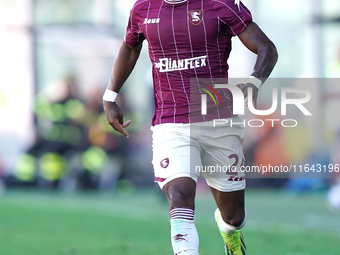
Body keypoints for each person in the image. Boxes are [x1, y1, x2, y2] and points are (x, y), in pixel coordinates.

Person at [103, 0, 278, 254]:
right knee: (180, 195)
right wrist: (110, 95)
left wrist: (254, 82)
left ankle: (229, 231)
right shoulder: (144, 8)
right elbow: (130, 47)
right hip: (170, 122)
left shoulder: (220, 4)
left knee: (234, 215)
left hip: (218, 121)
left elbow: (267, 48)